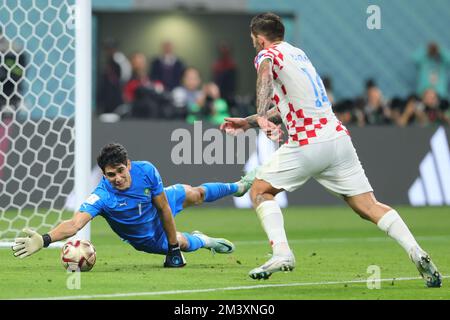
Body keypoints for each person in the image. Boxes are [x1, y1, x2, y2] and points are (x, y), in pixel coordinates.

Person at [220, 13, 442, 287]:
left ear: (260, 39)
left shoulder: (268, 54)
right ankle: (415, 251)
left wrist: (261, 113)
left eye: (254, 41)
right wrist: (250, 122)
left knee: (260, 190)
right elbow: (291, 107)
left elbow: (264, 73)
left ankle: (282, 253)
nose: (254, 45)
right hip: (338, 140)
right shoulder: (298, 55)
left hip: (308, 142)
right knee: (368, 206)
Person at [12, 143, 256, 267]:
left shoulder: (146, 171)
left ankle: (239, 186)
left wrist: (172, 252)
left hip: (156, 206)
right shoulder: (102, 197)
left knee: (195, 193)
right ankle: (205, 241)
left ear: (128, 164)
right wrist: (44, 240)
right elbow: (75, 224)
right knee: (183, 242)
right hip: (146, 236)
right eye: (110, 175)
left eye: (120, 171)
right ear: (103, 175)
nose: (117, 178)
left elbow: (163, 208)